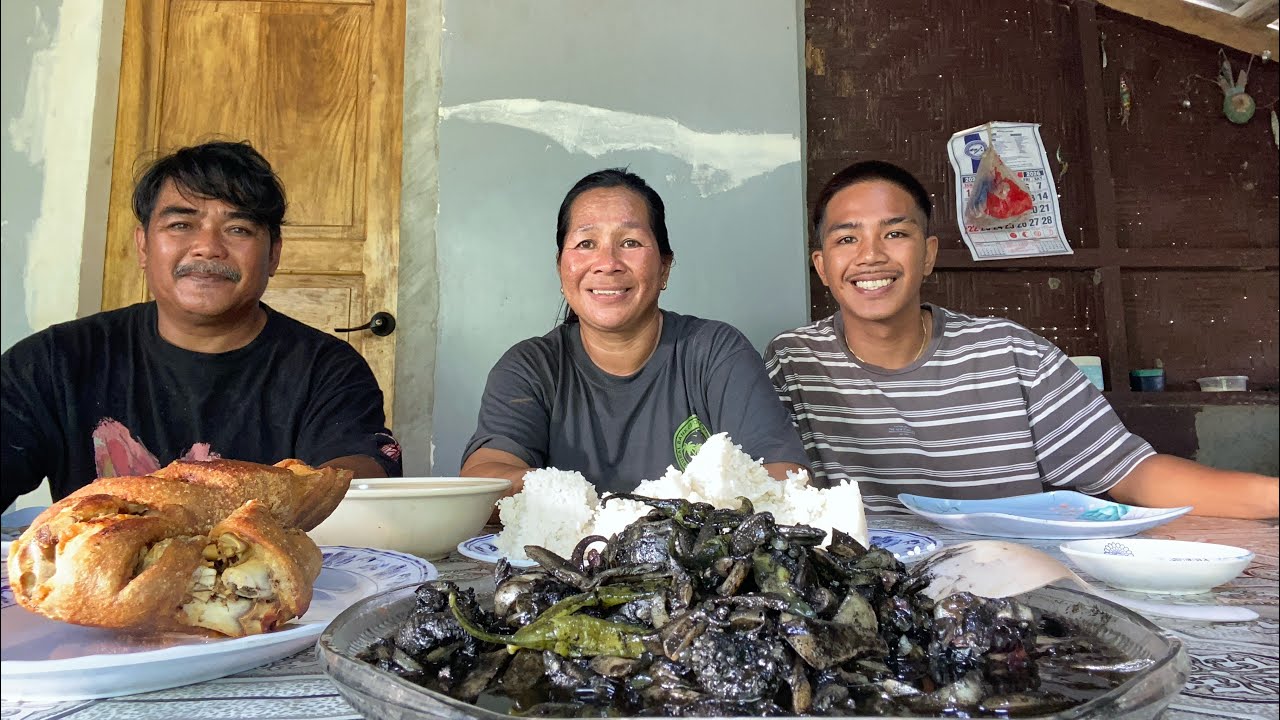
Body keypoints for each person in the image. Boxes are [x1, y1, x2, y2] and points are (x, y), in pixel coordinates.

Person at [765, 160, 1278, 518]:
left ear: (928, 255)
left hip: (1011, 597)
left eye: (895, 233)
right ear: (823, 268)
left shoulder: (1012, 355)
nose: (870, 255)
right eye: (847, 238)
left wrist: (1270, 497)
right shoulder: (791, 364)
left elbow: (1133, 473)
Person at [1, 140, 401, 510]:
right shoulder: (56, 362)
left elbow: (360, 483)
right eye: (181, 225)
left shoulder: (326, 369)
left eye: (238, 229)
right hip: (97, 582)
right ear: (143, 246)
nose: (208, 246)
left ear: (274, 255)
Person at [461, 168, 809, 495]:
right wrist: (577, 497)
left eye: (630, 242)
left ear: (664, 267)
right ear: (560, 268)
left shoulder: (715, 352)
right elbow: (483, 478)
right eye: (586, 243)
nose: (608, 263)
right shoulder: (530, 367)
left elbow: (783, 476)